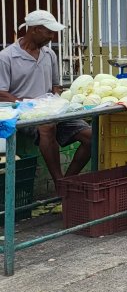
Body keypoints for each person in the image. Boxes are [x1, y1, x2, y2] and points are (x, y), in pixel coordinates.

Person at [0, 10, 92, 184]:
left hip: (50, 110)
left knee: (91, 137)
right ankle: (58, 181)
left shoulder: (49, 55)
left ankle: (67, 182)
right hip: (24, 113)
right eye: (48, 32)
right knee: (47, 127)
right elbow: (1, 93)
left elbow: (55, 86)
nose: (52, 36)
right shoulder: (6, 57)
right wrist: (28, 104)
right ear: (34, 29)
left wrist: (60, 100)